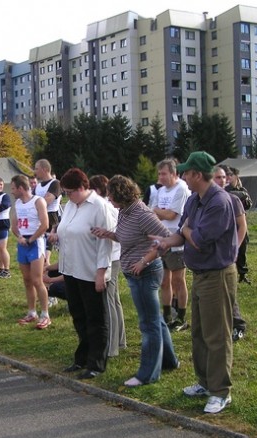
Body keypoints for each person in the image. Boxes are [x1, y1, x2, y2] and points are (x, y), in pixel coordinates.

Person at [152, 151, 237, 414]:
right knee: (199, 332)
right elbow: (182, 232)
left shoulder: (219, 202)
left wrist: (187, 232)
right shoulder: (195, 200)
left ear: (198, 175)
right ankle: (204, 382)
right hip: (200, 273)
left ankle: (221, 391)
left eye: (187, 172)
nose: (184, 176)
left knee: (217, 335)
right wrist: (166, 242)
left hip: (218, 274)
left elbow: (198, 239)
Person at [92, 175, 179, 387]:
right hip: (133, 273)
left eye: (111, 196)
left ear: (121, 194)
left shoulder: (142, 213)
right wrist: (109, 234)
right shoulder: (125, 212)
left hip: (146, 274)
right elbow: (128, 237)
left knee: (148, 325)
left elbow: (165, 239)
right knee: (154, 319)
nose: (109, 200)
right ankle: (169, 361)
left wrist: (144, 260)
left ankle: (148, 374)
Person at [51, 168, 113, 379]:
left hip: (90, 270)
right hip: (71, 269)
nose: (67, 196)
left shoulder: (98, 207)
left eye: (70, 192)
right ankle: (82, 357)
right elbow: (66, 230)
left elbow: (105, 244)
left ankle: (97, 362)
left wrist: (101, 272)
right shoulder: (70, 206)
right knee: (78, 315)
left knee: (96, 318)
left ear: (82, 188)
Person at [89, 174, 126, 358]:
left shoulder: (103, 205)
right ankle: (120, 339)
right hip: (115, 255)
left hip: (110, 256)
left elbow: (112, 231)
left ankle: (112, 347)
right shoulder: (107, 204)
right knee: (115, 298)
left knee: (109, 300)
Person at [152, 159, 190, 332]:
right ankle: (167, 314)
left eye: (164, 174)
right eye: (159, 174)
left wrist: (158, 212)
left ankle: (181, 316)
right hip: (161, 239)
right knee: (164, 281)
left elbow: (171, 215)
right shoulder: (161, 191)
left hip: (177, 240)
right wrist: (159, 213)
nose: (161, 177)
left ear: (174, 174)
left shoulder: (181, 188)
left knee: (178, 280)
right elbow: (158, 216)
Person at [10, 174, 51, 329]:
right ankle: (31, 311)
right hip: (23, 243)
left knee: (36, 279)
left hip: (36, 242)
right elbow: (14, 225)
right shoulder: (18, 203)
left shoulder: (38, 201)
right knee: (26, 279)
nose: (12, 191)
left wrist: (32, 239)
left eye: (13, 188)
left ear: (21, 188)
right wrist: (19, 237)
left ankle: (45, 313)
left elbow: (45, 224)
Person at [213, 166, 249, 342]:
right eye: (218, 177)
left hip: (228, 253)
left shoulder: (232, 199)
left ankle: (238, 325)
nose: (222, 180)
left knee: (229, 290)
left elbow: (242, 226)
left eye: (223, 177)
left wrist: (236, 247)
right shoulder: (202, 199)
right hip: (210, 255)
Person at [224, 167, 253, 283]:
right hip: (228, 223)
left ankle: (242, 273)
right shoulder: (224, 189)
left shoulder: (242, 189)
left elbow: (249, 204)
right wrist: (238, 195)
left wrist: (244, 197)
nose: (228, 177)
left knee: (242, 248)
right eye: (227, 175)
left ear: (236, 176)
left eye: (231, 175)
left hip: (241, 222)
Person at [33, 159, 62, 265]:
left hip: (51, 218)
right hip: (38, 218)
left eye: (37, 169)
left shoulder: (55, 183)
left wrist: (35, 205)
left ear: (44, 169)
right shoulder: (38, 186)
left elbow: (47, 201)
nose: (35, 171)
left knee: (46, 254)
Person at [0, 177, 12, 278]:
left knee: (2, 248)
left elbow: (6, 205)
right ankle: (0, 268)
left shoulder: (5, 196)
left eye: (1, 184)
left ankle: (7, 270)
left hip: (3, 223)